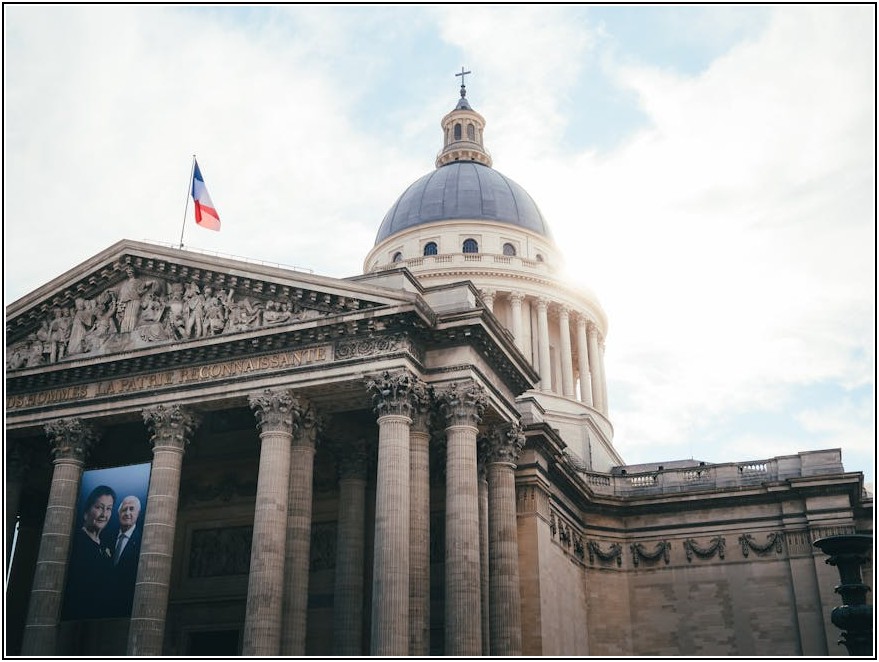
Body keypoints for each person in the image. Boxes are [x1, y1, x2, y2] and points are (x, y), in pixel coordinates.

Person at [61, 485, 116, 620]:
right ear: (86, 512)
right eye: (98, 507)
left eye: (108, 509)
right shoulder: (77, 542)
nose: (104, 514)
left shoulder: (105, 546)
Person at [108, 495, 143, 616]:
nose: (127, 513)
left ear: (138, 513)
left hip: (130, 602)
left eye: (131, 509)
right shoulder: (107, 538)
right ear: (118, 514)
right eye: (124, 509)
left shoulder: (143, 541)